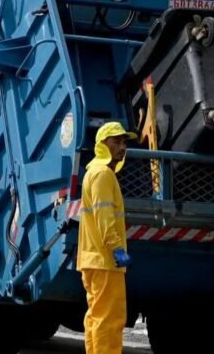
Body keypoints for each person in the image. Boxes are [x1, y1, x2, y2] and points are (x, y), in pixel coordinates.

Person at [77, 121, 137, 354]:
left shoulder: (94, 173)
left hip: (94, 260)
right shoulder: (103, 175)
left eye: (124, 142)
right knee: (110, 320)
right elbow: (105, 216)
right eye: (116, 141)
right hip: (105, 262)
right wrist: (116, 249)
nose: (122, 147)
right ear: (102, 145)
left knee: (96, 317)